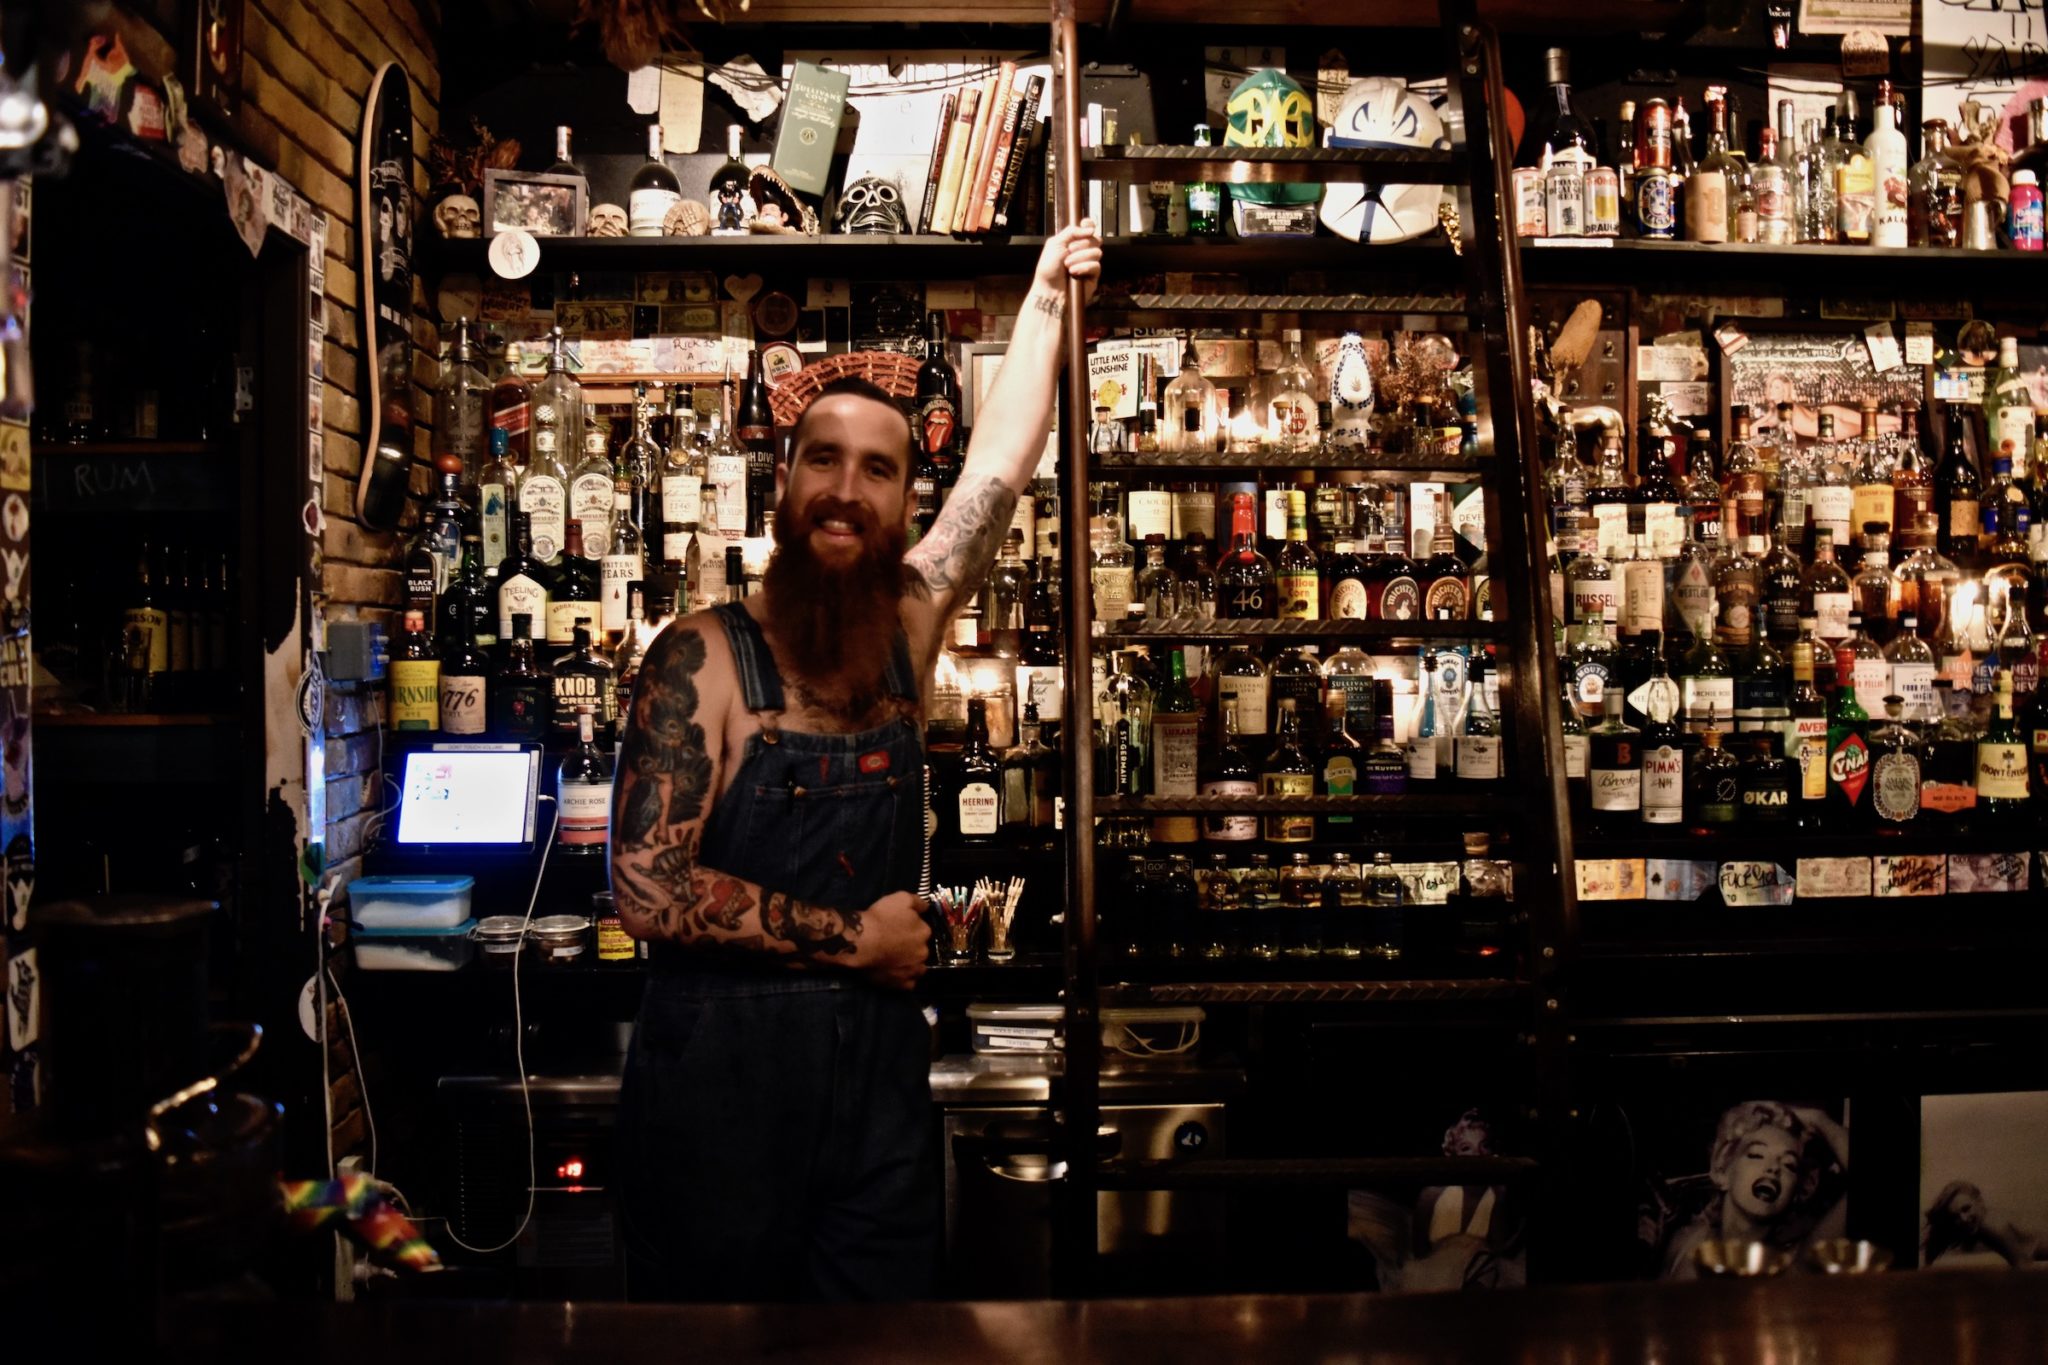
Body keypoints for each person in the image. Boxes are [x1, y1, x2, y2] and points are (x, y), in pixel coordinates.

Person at [609, 221, 1102, 1303]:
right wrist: (852, 941)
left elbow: (999, 469)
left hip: (876, 1089)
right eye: (822, 459)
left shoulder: (906, 627)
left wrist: (1043, 302)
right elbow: (647, 889)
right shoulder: (701, 657)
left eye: (876, 470)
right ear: (784, 484)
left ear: (902, 504)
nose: (846, 488)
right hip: (715, 1095)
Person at [1659, 1099, 1849, 1279]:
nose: (1773, 1168)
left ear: (1797, 1192)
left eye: (1789, 1165)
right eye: (1757, 1155)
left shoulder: (1796, 1266)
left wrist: (1818, 1119)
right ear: (1722, 1169)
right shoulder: (1682, 1243)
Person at [1923, 1179, 2048, 1268]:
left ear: (1979, 1201)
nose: (1964, 1218)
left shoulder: (1991, 1226)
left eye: (1966, 1208)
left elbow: (2026, 1267)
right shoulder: (1982, 1225)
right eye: (1955, 1216)